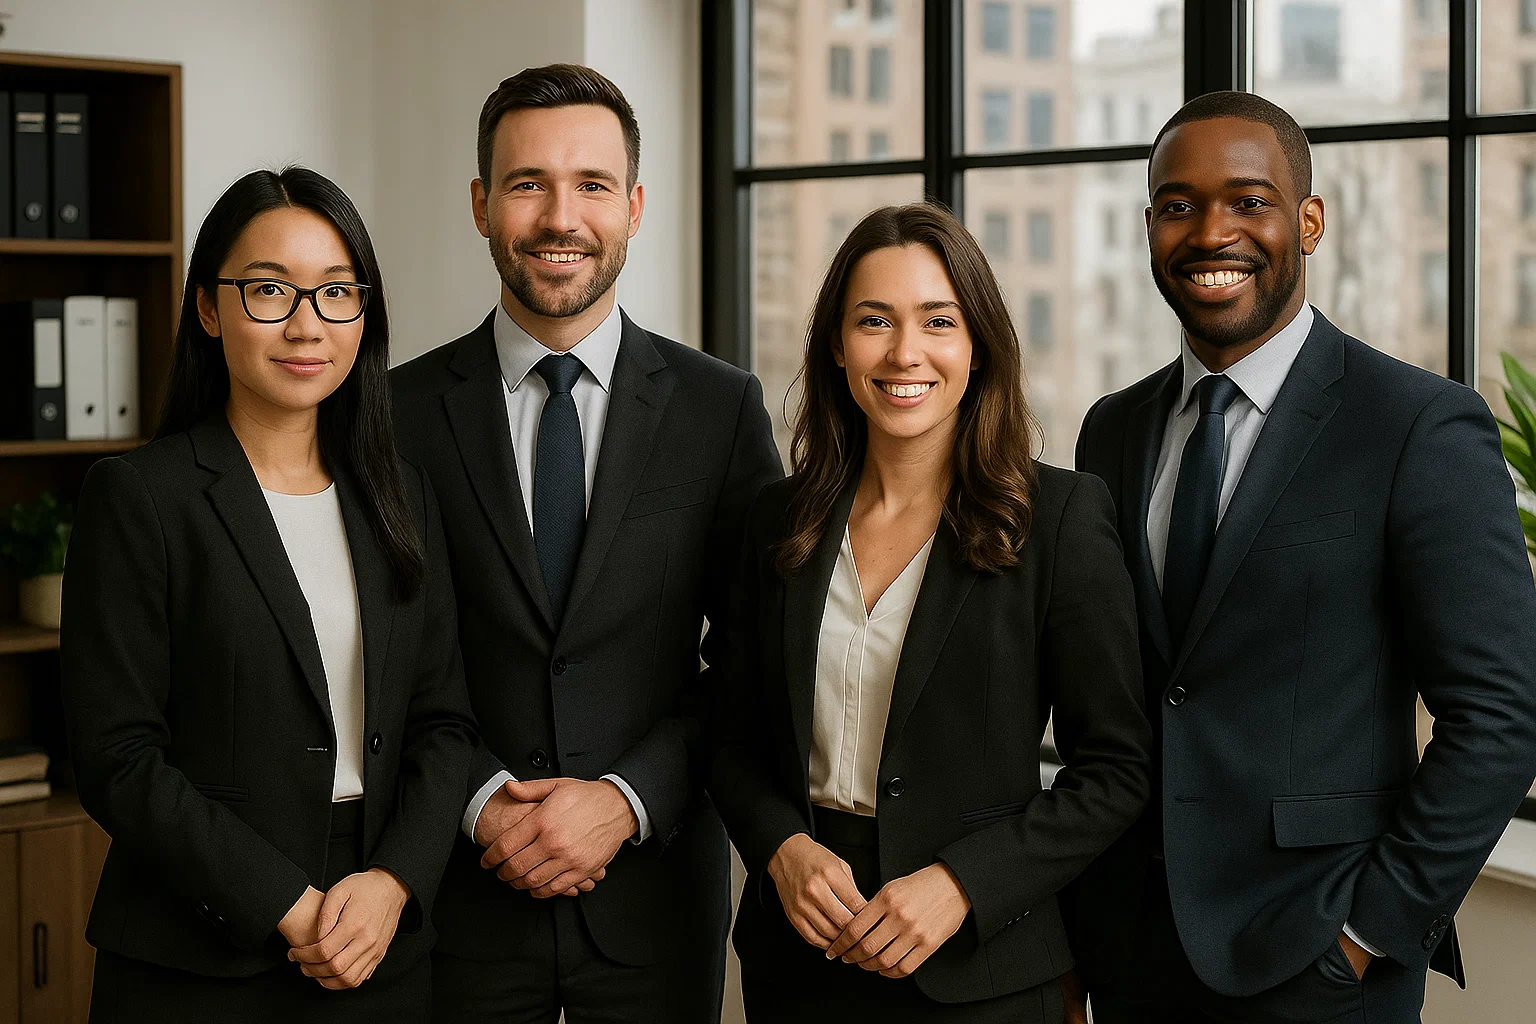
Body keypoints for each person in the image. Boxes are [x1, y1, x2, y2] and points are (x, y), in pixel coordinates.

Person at [1069, 90, 1536, 1023]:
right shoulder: (1111, 431)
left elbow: (1500, 717)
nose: (1211, 232)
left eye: (1249, 201)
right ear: (1150, 226)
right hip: (1131, 955)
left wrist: (1366, 936)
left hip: (1317, 962)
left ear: (1308, 221)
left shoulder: (1418, 425)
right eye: (1178, 205)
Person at [390, 64, 781, 1023]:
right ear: (482, 205)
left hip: (653, 906)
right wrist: (479, 800)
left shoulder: (720, 409)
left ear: (635, 205)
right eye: (528, 185)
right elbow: (380, 659)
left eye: (592, 185)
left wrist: (626, 799)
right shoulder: (393, 414)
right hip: (454, 899)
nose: (560, 216)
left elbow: (756, 658)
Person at [710, 203, 1152, 1023]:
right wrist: (781, 848)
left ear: (977, 344)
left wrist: (963, 885)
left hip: (979, 966)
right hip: (803, 956)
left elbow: (1117, 768)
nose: (904, 353)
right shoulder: (778, 521)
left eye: (937, 322)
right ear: (838, 347)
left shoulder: (1058, 518)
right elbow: (729, 731)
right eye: (873, 321)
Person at [60, 167, 477, 1022]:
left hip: (378, 936)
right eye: (268, 291)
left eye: (335, 294)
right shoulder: (142, 497)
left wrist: (394, 882)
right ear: (209, 311)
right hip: (199, 954)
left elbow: (444, 723)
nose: (305, 324)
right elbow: (117, 757)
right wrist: (287, 903)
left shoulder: (400, 493)